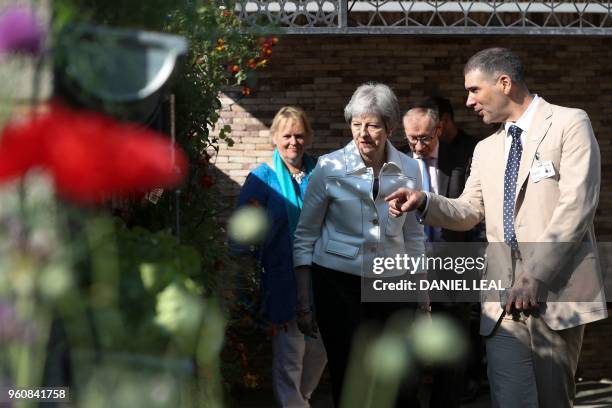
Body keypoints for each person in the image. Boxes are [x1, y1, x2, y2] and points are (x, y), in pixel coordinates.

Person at [386, 48, 608, 408]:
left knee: (554, 401)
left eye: (474, 90)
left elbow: (577, 206)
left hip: (556, 290)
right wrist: (425, 201)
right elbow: (469, 209)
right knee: (510, 401)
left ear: (504, 83)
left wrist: (536, 273)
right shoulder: (487, 149)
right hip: (501, 300)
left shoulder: (570, 123)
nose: (468, 101)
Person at [292, 82, 425, 407]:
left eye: (372, 125)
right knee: (351, 376)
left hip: (394, 282)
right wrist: (305, 300)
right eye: (356, 124)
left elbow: (414, 236)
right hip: (338, 284)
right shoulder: (329, 167)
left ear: (390, 128)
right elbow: (305, 236)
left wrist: (422, 297)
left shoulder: (410, 168)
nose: (362, 133)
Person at [235, 106, 327, 408]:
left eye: (299, 135)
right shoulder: (262, 178)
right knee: (290, 357)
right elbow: (242, 230)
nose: (293, 142)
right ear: (275, 137)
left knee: (319, 354)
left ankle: (301, 401)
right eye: (287, 135)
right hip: (283, 280)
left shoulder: (323, 174)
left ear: (309, 137)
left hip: (324, 279)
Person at [401, 98, 480, 408]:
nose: (419, 146)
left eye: (425, 138)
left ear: (439, 128)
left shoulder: (462, 158)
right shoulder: (395, 164)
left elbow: (475, 213)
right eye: (412, 139)